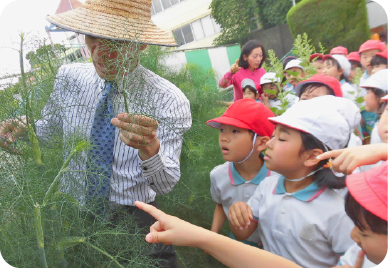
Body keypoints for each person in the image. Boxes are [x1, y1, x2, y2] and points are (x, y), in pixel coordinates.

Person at [0, 1, 192, 267]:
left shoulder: (168, 99)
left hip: (133, 225)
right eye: (93, 37)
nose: (101, 52)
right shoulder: (69, 77)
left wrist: (150, 148)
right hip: (75, 218)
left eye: (115, 41)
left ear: (141, 44)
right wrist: (25, 128)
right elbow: (52, 134)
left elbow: (165, 184)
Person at [228, 96, 358, 267]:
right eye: (273, 135)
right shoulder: (267, 187)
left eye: (281, 138)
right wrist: (238, 215)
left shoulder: (338, 209)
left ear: (312, 156)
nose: (270, 143)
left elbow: (352, 260)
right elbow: (243, 233)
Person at [206, 99, 274, 247]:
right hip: (237, 246)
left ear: (262, 143)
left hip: (270, 251)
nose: (224, 137)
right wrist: (213, 234)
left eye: (235, 131)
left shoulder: (277, 178)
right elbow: (221, 204)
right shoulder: (218, 176)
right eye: (222, 130)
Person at [358, 40, 386, 144]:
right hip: (367, 115)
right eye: (365, 57)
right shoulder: (361, 78)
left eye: (373, 56)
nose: (369, 60)